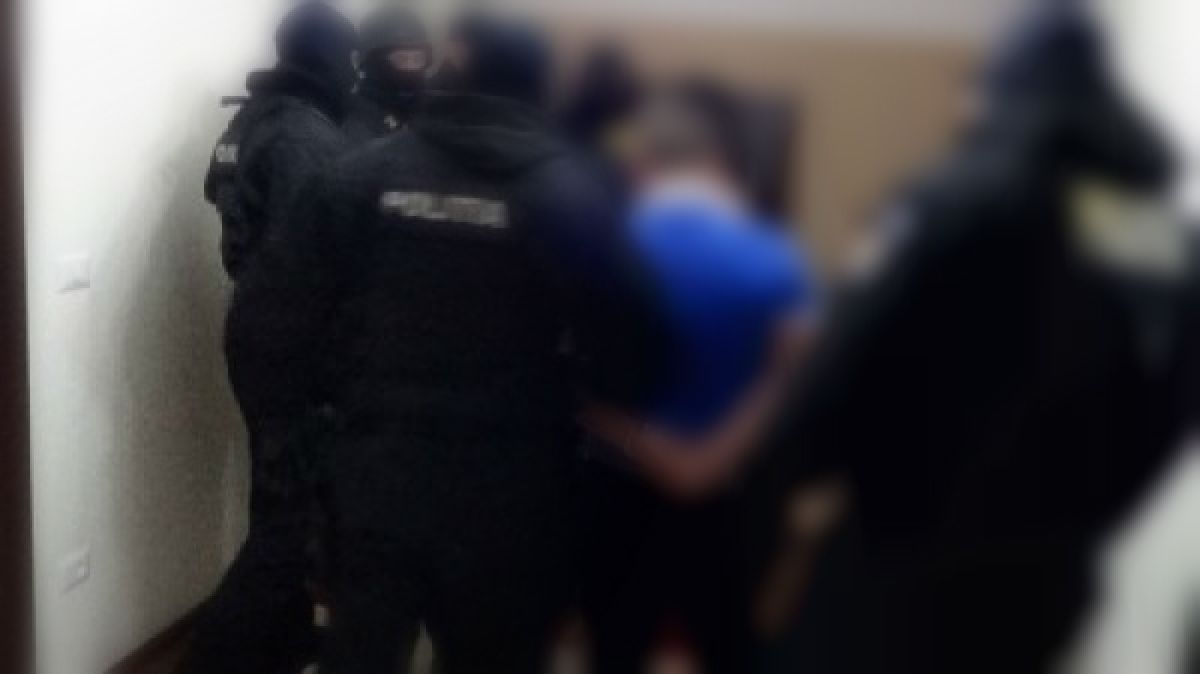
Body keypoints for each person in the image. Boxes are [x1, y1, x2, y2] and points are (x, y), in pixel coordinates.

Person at [754, 4, 1197, 672]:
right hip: (1049, 577)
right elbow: (1178, 401)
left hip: (904, 566)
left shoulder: (957, 201)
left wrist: (776, 489)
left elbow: (841, 362)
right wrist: (1099, 511)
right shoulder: (1153, 231)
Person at [284, 15, 650, 673]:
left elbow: (276, 327)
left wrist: (316, 449)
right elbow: (631, 358)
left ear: (450, 69)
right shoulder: (579, 197)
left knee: (361, 656)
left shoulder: (359, 177)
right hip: (516, 494)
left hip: (376, 477)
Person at [578, 81, 819, 674]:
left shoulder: (604, 246)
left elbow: (573, 376)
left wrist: (646, 443)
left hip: (619, 490)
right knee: (729, 649)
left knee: (615, 649)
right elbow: (800, 373)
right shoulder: (777, 257)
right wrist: (709, 458)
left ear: (643, 164)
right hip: (728, 496)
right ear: (722, 165)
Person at [182, 3, 357, 674]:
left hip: (255, 331)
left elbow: (220, 196)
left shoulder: (247, 121)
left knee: (275, 497)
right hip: (295, 345)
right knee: (290, 526)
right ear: (329, 59)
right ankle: (210, 660)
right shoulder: (306, 137)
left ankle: (282, 642)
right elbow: (320, 258)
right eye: (348, 58)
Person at [343, 5, 430, 142]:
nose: (411, 68)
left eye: (418, 59)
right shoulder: (356, 122)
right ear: (374, 63)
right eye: (401, 59)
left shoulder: (430, 110)